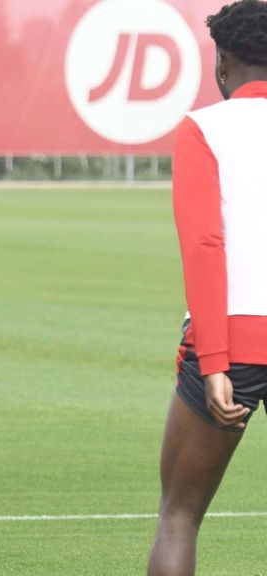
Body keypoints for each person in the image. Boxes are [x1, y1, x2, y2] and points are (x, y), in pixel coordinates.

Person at [148, 2, 267, 574]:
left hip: (233, 345)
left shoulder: (204, 127)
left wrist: (215, 360)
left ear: (223, 63)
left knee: (179, 515)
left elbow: (204, 247)